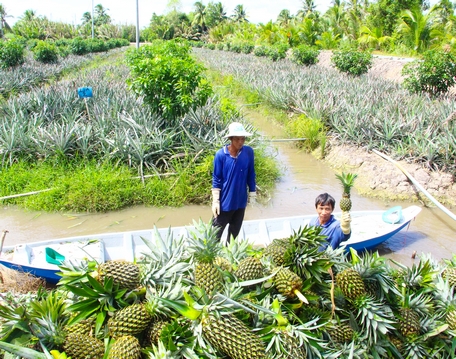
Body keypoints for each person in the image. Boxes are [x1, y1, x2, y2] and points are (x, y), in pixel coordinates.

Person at [211, 122, 256, 242]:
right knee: (214, 236)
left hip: (240, 203)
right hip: (225, 204)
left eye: (243, 139)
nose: (240, 142)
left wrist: (252, 193)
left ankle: (229, 257)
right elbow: (217, 178)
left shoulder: (248, 152)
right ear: (231, 139)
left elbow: (251, 173)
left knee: (233, 237)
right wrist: (216, 200)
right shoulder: (221, 155)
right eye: (237, 139)